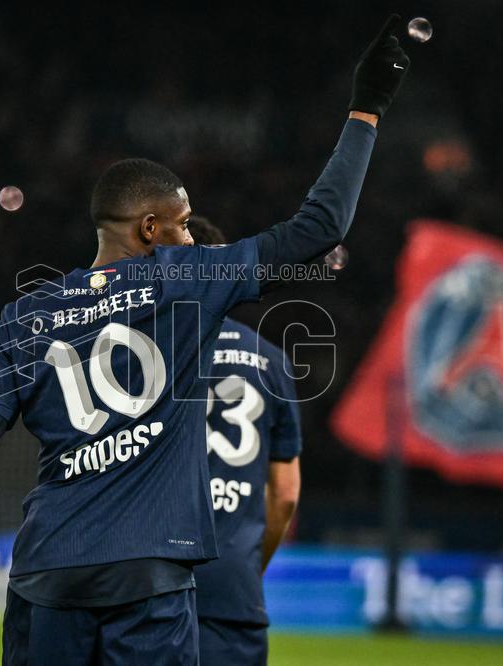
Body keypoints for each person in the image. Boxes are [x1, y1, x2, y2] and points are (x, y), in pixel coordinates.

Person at [0, 14, 408, 665]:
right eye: (182, 226)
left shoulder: (28, 316)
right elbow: (320, 225)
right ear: (151, 229)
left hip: (48, 578)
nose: (192, 236)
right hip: (149, 584)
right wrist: (366, 109)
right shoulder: (185, 280)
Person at [186, 217, 302, 666]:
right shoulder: (271, 360)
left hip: (152, 583)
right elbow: (286, 496)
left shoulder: (147, 355)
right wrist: (249, 568)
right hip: (234, 588)